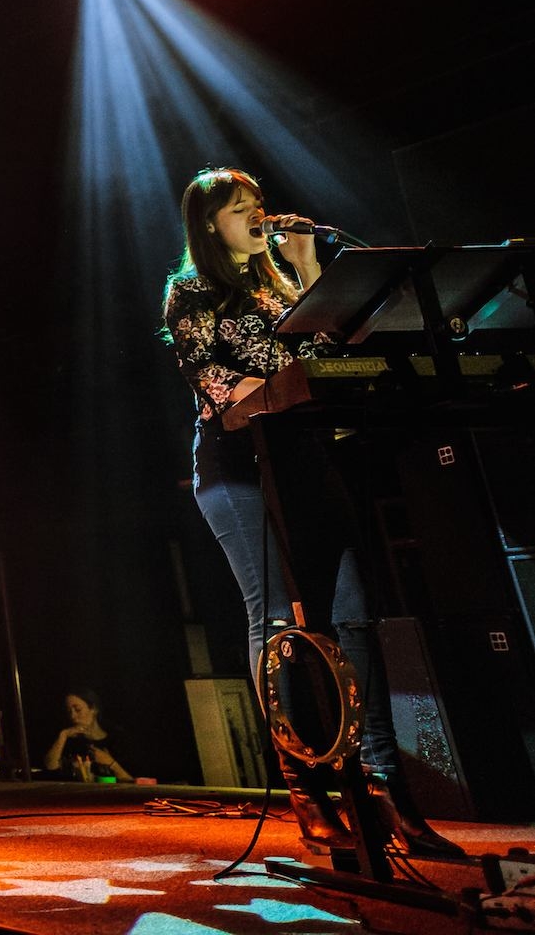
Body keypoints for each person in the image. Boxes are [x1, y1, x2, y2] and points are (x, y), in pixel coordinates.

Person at [160, 168, 460, 858]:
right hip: (236, 473)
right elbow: (213, 382)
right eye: (241, 209)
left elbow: (328, 356)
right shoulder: (192, 292)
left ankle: (387, 792)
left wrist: (305, 271)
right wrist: (280, 381)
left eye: (259, 204)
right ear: (209, 224)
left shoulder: (277, 287)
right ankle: (307, 790)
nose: (258, 216)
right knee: (272, 618)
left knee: (352, 617)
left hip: (306, 465)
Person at [42, 689, 133, 782]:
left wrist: (110, 763)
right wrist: (62, 736)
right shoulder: (68, 741)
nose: (72, 716)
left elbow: (132, 781)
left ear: (93, 709)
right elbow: (50, 768)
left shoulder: (119, 740)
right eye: (69, 711)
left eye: (78, 710)